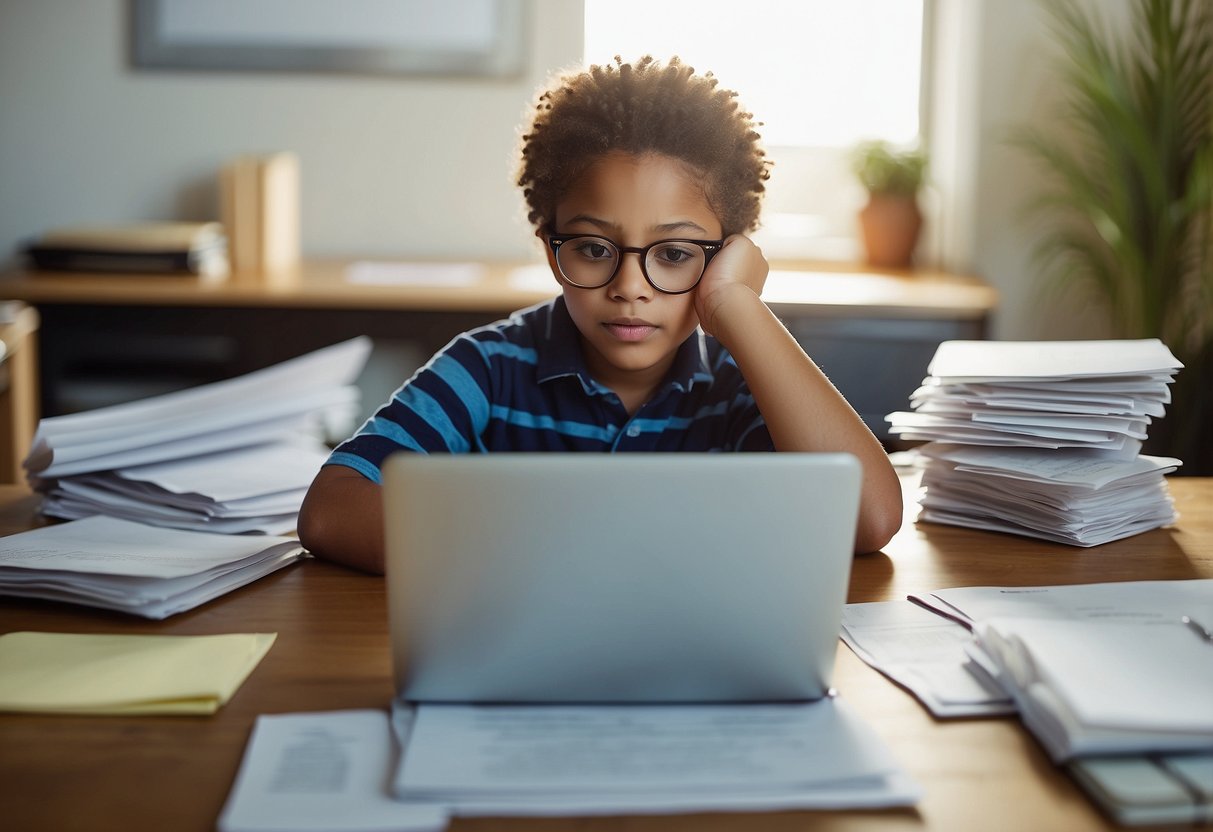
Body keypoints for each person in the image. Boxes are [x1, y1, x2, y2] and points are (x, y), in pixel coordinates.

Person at [298, 56, 903, 574]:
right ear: (550, 247)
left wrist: (736, 306)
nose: (629, 288)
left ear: (727, 259)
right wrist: (554, 548)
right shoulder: (489, 367)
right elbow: (331, 510)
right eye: (593, 249)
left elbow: (869, 517)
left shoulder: (741, 384)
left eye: (673, 254)